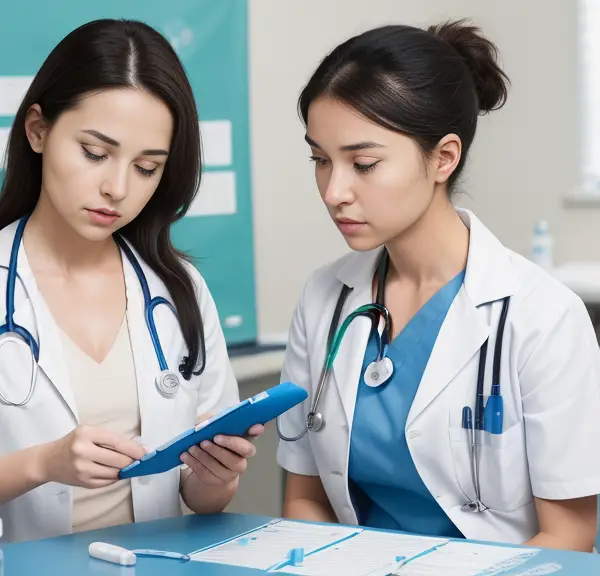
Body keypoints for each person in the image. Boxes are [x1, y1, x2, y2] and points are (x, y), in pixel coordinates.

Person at [276, 20, 600, 551]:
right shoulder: (324, 299)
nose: (334, 191)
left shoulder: (542, 317)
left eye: (363, 163)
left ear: (443, 158)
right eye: (320, 160)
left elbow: (568, 535)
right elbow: (306, 500)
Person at [0, 19, 263, 543]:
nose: (116, 187)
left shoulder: (178, 289)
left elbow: (200, 497)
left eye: (146, 167)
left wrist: (216, 476)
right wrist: (42, 463)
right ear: (37, 130)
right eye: (95, 153)